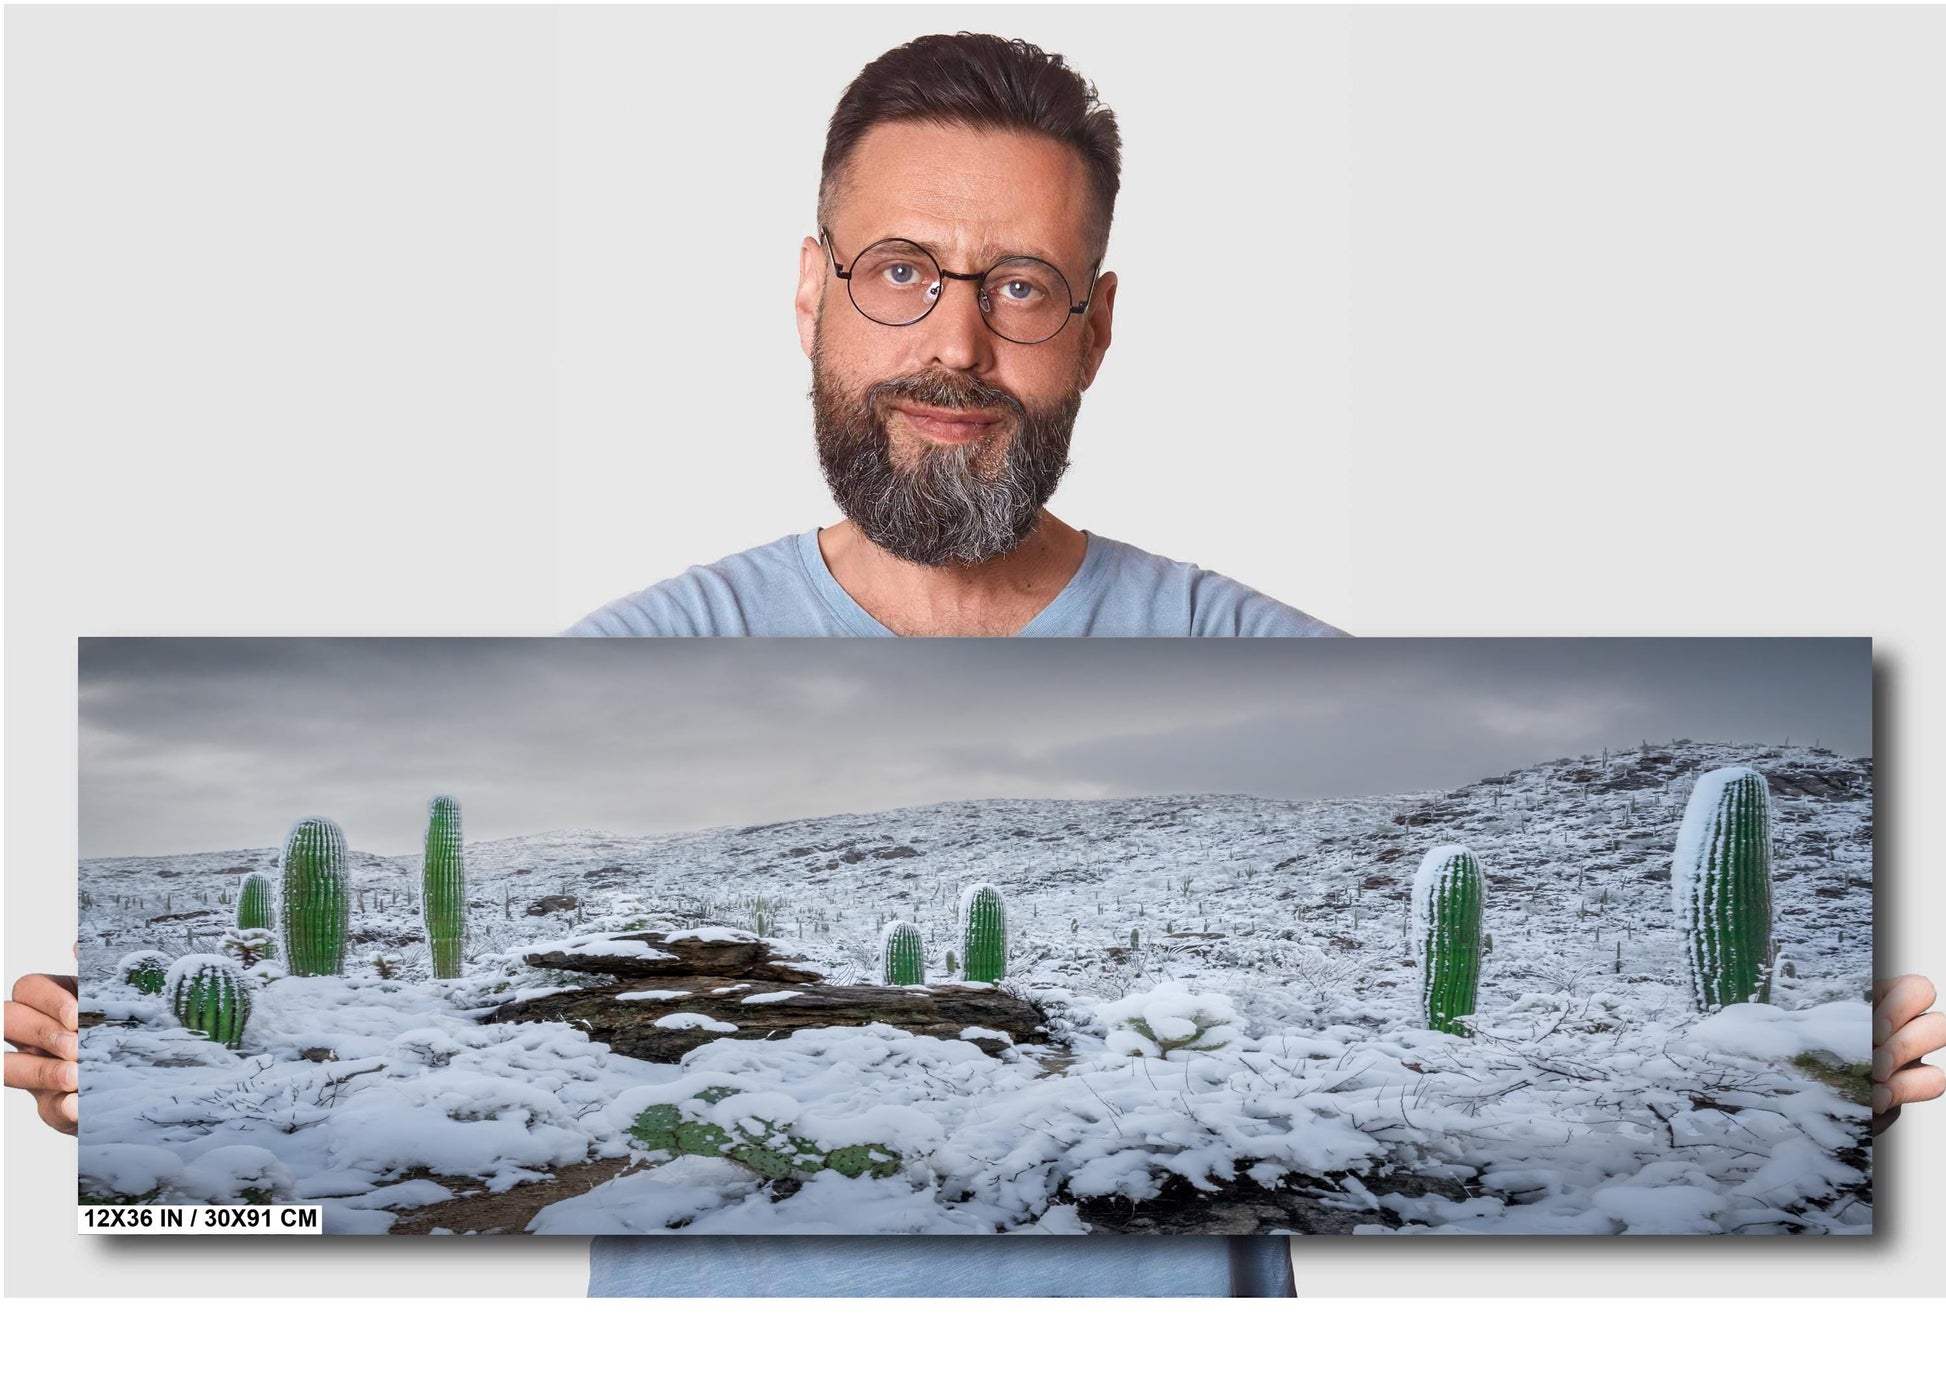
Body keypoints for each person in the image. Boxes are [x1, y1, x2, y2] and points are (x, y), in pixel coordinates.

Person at [11, 31, 1942, 1297]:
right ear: (810, 289)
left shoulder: (1251, 654)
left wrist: (1858, 1048)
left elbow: (1518, 1087)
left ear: (1092, 329)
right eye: (901, 270)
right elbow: (304, 1169)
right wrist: (156, 1105)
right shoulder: (628, 654)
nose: (956, 342)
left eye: (1019, 287)